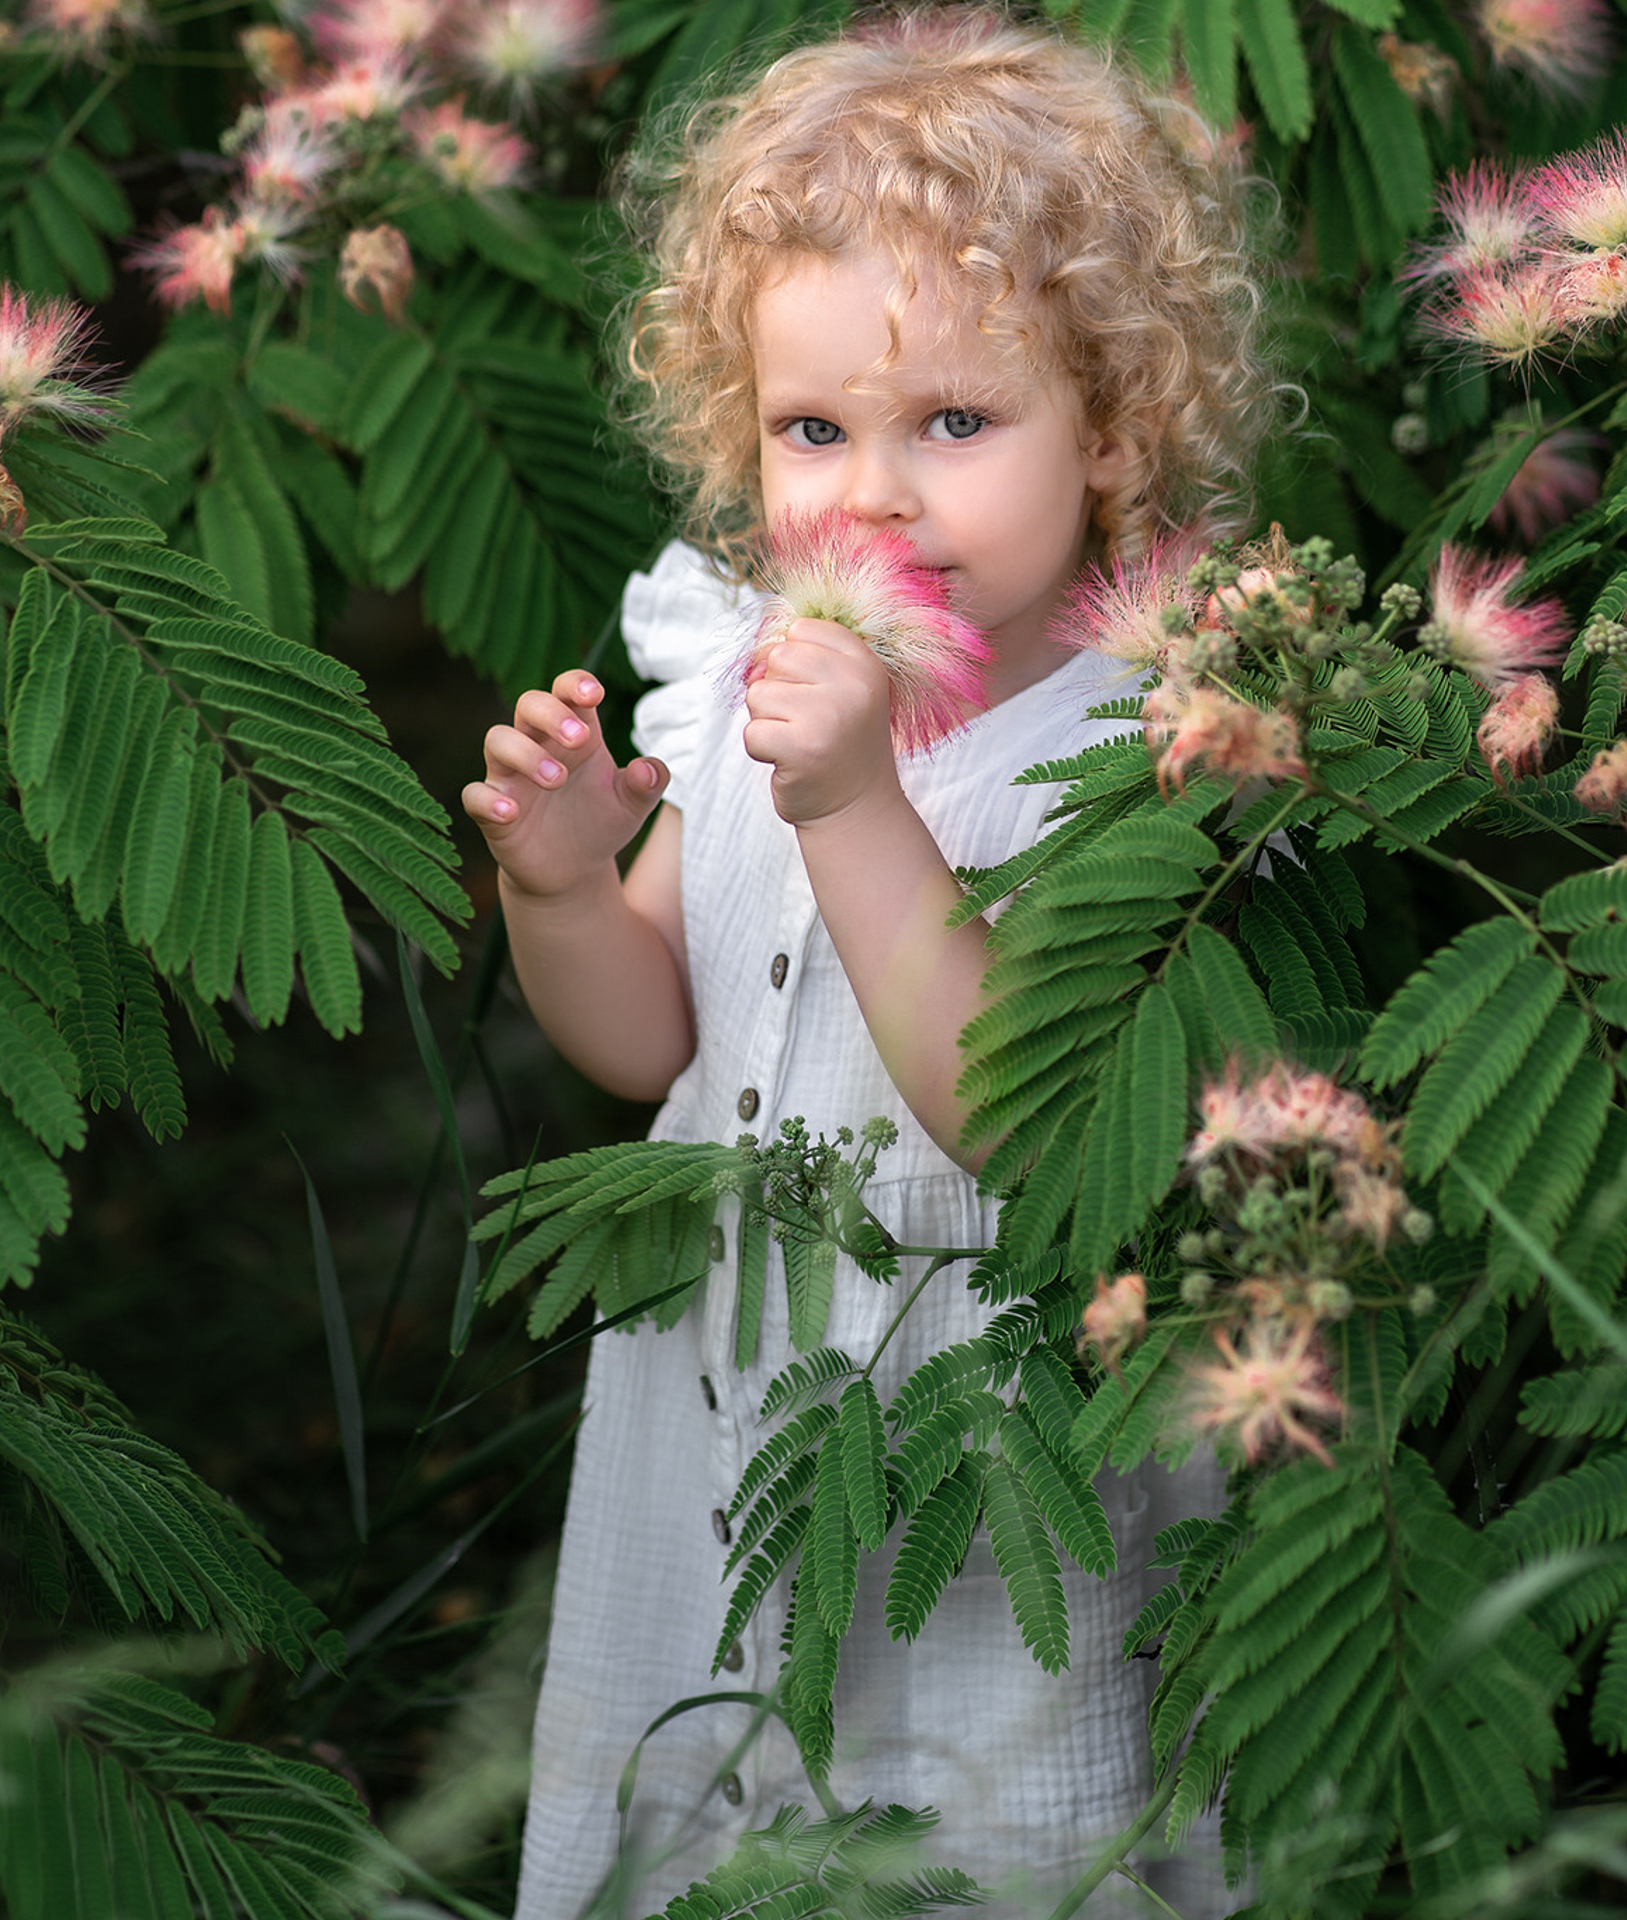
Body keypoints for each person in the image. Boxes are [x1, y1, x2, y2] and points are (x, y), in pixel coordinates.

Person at [462, 8, 1268, 1913]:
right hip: (734, 1408)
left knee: (980, 1815)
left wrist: (850, 803)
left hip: (977, 1439)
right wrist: (570, 892)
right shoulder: (744, 678)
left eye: (956, 425)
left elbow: (1018, 1117)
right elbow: (646, 1031)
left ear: (1121, 431)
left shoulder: (1146, 749)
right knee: (711, 1797)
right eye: (815, 430)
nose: (874, 496)